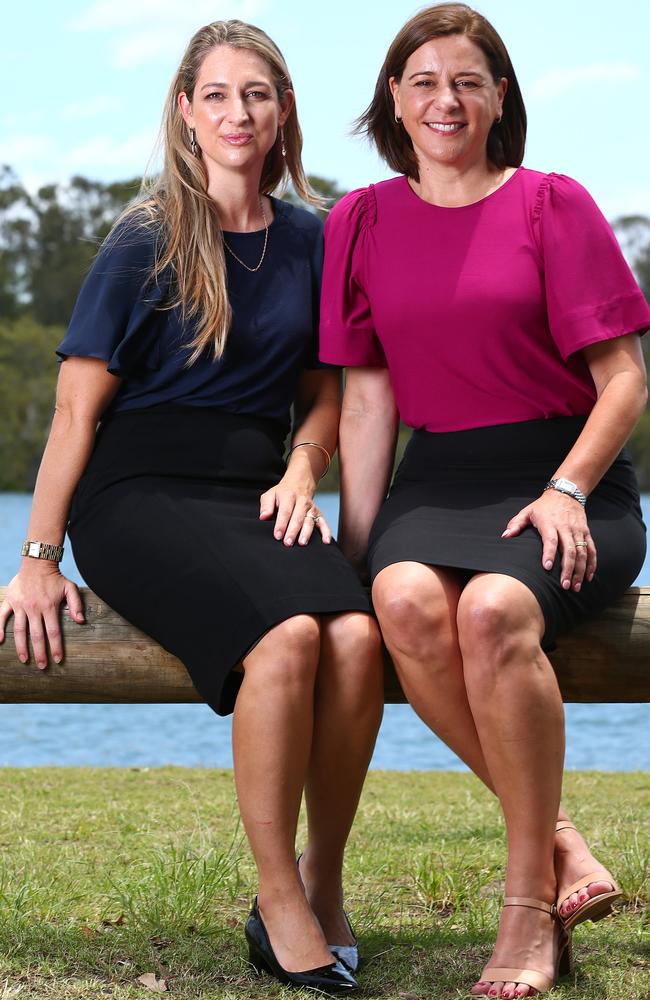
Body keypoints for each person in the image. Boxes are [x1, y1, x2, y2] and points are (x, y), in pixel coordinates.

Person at [0, 19, 385, 993]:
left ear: (282, 109)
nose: (235, 113)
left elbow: (326, 392)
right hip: (136, 491)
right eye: (214, 95)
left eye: (254, 94)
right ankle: (276, 901)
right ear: (183, 111)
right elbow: (77, 413)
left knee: (352, 639)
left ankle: (320, 879)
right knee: (289, 638)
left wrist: (305, 467)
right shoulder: (143, 237)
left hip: (259, 490)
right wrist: (38, 556)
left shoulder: (313, 237)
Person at [320, 4, 650, 997]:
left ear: (498, 96)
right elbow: (368, 396)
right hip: (440, 475)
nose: (443, 99)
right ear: (393, 99)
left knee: (493, 610)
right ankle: (558, 842)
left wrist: (564, 488)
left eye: (466, 80)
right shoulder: (360, 220)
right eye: (422, 80)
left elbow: (625, 379)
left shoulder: (553, 204)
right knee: (409, 601)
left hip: (566, 471)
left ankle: (524, 910)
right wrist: (358, 544)